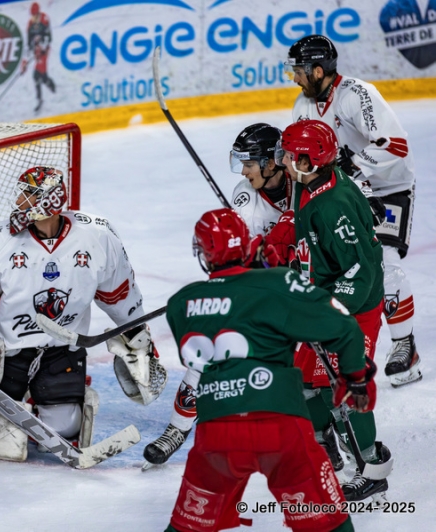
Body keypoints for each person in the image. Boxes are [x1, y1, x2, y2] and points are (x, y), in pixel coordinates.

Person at [163, 208, 374, 532]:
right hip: (280, 425)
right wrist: (355, 378)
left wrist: (256, 278)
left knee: (187, 526)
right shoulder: (277, 284)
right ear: (247, 245)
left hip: (217, 432)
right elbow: (343, 326)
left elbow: (227, 313)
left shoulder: (181, 303)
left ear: (204, 253)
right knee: (328, 524)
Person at [0, 166, 164, 448]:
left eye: (27, 194)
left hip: (63, 350)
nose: (18, 201)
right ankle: (20, 404)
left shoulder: (96, 235)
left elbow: (119, 293)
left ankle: (52, 403)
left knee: (65, 428)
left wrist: (138, 339)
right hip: (9, 352)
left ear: (48, 200)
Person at [143, 123, 298, 467]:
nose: (242, 171)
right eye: (239, 162)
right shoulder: (246, 196)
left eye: (249, 162)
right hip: (265, 290)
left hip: (305, 289)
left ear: (273, 161)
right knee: (209, 348)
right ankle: (178, 427)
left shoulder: (303, 182)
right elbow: (241, 252)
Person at [286, 34, 421, 388]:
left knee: (385, 263)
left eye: (298, 71)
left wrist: (356, 164)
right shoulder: (303, 104)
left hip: (387, 188)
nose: (295, 79)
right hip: (344, 194)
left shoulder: (358, 94)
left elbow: (396, 145)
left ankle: (405, 345)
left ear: (318, 70)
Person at [279, 119, 392, 502]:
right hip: (324, 299)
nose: (284, 161)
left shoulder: (334, 206)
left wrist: (329, 311)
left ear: (310, 161)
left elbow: (361, 269)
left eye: (290, 156)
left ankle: (373, 467)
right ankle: (325, 444)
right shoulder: (308, 185)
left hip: (352, 310)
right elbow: (311, 244)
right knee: (302, 380)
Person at [22, 2, 56, 113]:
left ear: (39, 13)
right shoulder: (30, 24)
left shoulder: (45, 19)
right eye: (32, 15)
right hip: (37, 50)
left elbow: (49, 37)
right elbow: (28, 44)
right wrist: (24, 62)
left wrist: (43, 47)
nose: (33, 18)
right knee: (41, 75)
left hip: (44, 50)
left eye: (35, 15)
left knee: (37, 74)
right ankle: (51, 85)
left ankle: (40, 99)